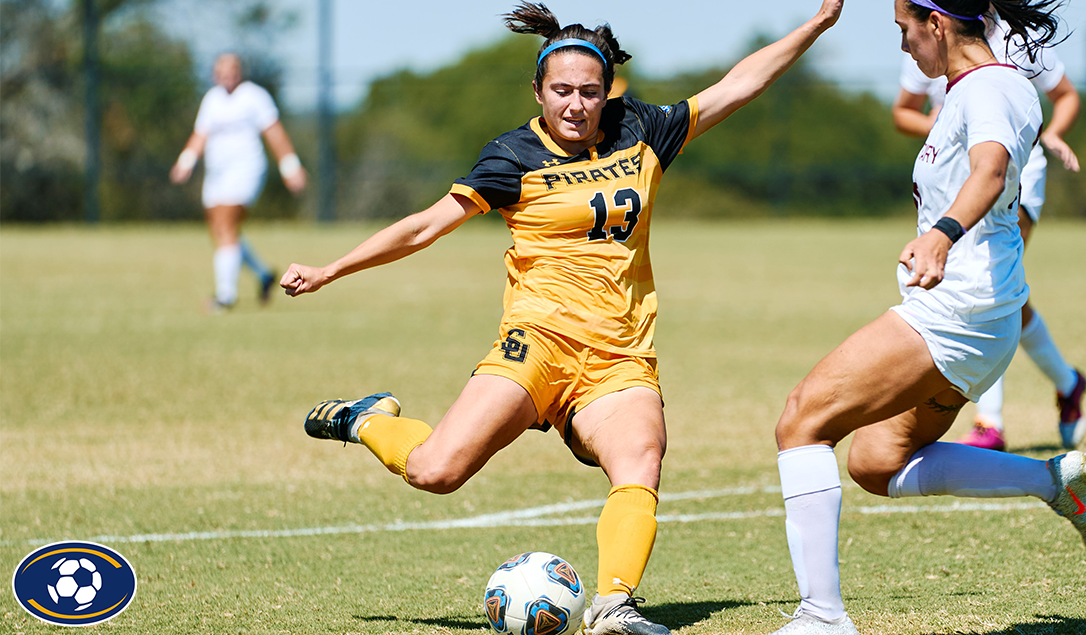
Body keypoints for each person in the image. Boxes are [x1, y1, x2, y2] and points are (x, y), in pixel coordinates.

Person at [279, 2, 843, 634]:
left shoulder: (643, 130)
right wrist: (333, 268)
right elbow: (423, 227)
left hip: (619, 355)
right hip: (537, 345)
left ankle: (614, 605)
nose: (576, 105)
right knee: (436, 471)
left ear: (608, 93)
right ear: (539, 90)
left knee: (641, 459)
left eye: (590, 92)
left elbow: (740, 84)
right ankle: (365, 421)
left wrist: (816, 24)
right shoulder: (512, 156)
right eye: (563, 91)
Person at [769, 2, 1086, 633]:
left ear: (938, 24)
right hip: (978, 315)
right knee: (875, 464)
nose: (904, 47)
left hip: (958, 310)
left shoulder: (990, 87)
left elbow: (991, 170)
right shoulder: (978, 88)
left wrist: (943, 233)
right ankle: (1051, 480)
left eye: (905, 31)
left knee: (801, 420)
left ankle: (822, 617)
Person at [892, 12, 1086, 451]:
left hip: (1014, 173)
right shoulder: (925, 32)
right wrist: (951, 129)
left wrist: (1050, 134)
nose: (904, 39)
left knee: (990, 278)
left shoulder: (1016, 39)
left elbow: (1067, 96)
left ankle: (989, 422)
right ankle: (1068, 383)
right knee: (1004, 290)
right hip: (959, 170)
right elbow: (902, 113)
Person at [170, 53, 307, 313]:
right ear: (214, 74)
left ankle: (226, 296)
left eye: (232, 70)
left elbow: (274, 132)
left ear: (239, 72)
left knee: (226, 224)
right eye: (221, 71)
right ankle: (264, 274)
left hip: (246, 171)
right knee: (221, 232)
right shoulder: (211, 99)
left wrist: (290, 166)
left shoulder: (254, 96)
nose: (227, 76)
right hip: (216, 174)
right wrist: (185, 161)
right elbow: (201, 134)